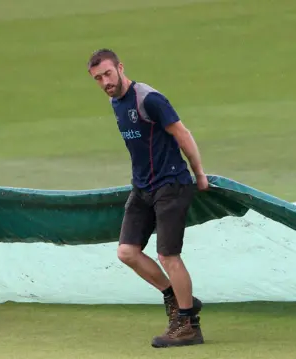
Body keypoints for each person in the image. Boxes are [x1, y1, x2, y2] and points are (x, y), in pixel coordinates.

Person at [87, 49, 208, 348]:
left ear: (120, 68)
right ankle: (180, 300)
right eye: (98, 78)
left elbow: (182, 133)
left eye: (108, 74)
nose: (104, 82)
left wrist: (199, 174)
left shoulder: (148, 99)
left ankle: (188, 326)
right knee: (126, 252)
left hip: (171, 184)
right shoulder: (115, 101)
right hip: (142, 188)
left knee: (168, 255)